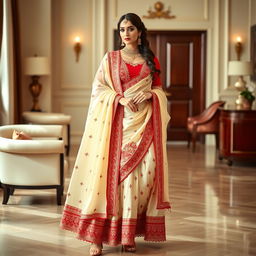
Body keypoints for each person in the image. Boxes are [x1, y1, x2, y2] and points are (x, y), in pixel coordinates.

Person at [60, 13, 171, 256]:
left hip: (144, 125)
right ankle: (96, 238)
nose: (126, 33)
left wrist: (152, 95)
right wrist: (118, 98)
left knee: (143, 177)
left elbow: (160, 90)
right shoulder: (110, 59)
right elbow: (99, 89)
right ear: (119, 33)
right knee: (110, 179)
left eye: (131, 28)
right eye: (122, 29)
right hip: (116, 125)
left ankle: (127, 234)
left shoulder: (151, 59)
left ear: (140, 31)